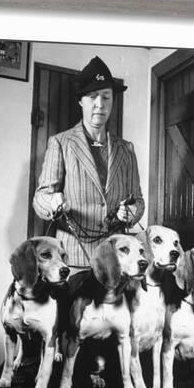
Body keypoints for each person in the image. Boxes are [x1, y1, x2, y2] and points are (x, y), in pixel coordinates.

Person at [33, 56, 145, 270]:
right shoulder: (60, 143)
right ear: (81, 101)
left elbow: (138, 200)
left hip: (115, 261)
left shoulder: (126, 149)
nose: (99, 105)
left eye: (106, 97)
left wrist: (131, 212)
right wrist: (52, 202)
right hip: (72, 258)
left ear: (113, 101)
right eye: (92, 96)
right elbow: (40, 198)